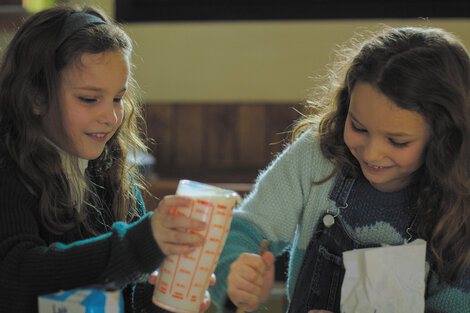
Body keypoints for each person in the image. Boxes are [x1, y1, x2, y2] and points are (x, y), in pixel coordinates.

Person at [210, 26, 470, 313]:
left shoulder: (460, 208)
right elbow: (245, 229)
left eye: (397, 141)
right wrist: (234, 273)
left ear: (445, 139)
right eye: (358, 127)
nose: (372, 153)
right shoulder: (316, 156)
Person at [0, 5, 213, 313]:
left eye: (117, 98)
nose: (111, 116)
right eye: (89, 99)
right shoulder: (9, 172)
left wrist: (168, 295)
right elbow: (17, 276)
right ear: (37, 97)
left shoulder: (115, 181)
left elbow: (126, 298)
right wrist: (140, 244)